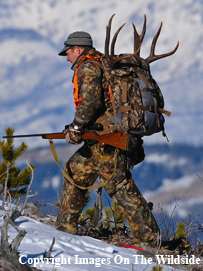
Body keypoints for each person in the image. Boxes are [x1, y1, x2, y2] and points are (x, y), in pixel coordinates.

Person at [55, 31, 159, 244]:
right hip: (102, 138)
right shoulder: (103, 62)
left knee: (118, 186)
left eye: (68, 52)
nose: (67, 58)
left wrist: (75, 128)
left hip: (109, 138)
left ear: (78, 49)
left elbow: (90, 103)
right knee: (75, 172)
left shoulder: (89, 67)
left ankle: (149, 238)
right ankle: (64, 229)